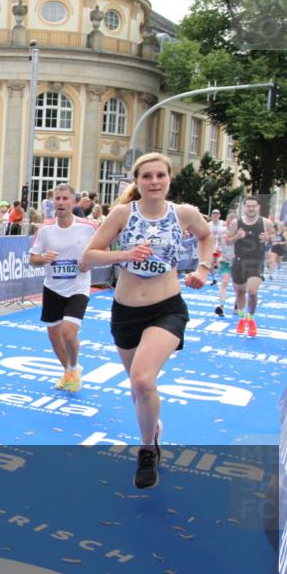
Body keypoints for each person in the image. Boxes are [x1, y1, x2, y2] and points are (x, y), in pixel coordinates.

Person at [82, 153, 212, 489]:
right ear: (136, 181)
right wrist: (124, 254)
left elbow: (206, 236)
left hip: (167, 308)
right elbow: (89, 256)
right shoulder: (123, 213)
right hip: (126, 312)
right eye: (147, 176)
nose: (154, 182)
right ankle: (152, 430)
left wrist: (202, 268)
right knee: (139, 389)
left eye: (160, 175)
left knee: (142, 380)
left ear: (169, 179)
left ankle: (146, 450)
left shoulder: (183, 213)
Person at [28, 184, 97, 392]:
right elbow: (32, 259)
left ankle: (74, 368)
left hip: (78, 288)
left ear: (74, 202)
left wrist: (88, 263)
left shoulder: (88, 227)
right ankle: (68, 371)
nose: (60, 203)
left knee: (68, 333)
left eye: (65, 198)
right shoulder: (45, 229)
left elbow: (103, 251)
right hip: (53, 288)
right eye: (57, 199)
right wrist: (43, 258)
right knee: (54, 335)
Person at [226, 196, 274, 336]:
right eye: (248, 206)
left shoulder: (265, 222)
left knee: (252, 292)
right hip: (239, 261)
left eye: (254, 206)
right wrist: (236, 237)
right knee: (240, 292)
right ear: (244, 207)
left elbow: (273, 235)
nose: (251, 209)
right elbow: (228, 241)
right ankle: (242, 318)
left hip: (256, 262)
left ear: (258, 207)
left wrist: (268, 238)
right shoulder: (236, 223)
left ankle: (251, 319)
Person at [214, 211, 236, 317]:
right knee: (224, 282)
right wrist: (216, 256)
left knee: (238, 287)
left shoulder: (240, 233)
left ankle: (237, 305)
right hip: (225, 261)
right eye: (228, 222)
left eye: (232, 223)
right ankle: (221, 306)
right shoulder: (221, 231)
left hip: (237, 262)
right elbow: (219, 244)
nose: (229, 224)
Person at [208, 209, 226, 286]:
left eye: (217, 214)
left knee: (218, 262)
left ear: (219, 215)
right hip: (211, 246)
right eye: (214, 214)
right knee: (211, 263)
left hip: (221, 245)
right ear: (211, 215)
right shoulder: (208, 225)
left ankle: (223, 277)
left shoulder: (223, 223)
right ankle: (214, 279)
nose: (215, 215)